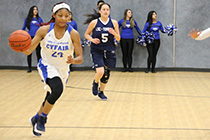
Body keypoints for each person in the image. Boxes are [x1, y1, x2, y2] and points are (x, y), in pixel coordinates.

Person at [22, 2, 83, 136]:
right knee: (57, 89)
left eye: (66, 16)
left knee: (51, 95)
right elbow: (29, 50)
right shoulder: (44, 30)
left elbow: (80, 58)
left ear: (69, 17)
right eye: (60, 15)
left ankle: (36, 118)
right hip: (47, 65)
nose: (63, 18)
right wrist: (20, 46)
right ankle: (43, 119)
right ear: (54, 15)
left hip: (63, 69)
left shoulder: (73, 34)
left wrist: (73, 60)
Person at [84, 3, 120, 100]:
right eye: (103, 9)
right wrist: (92, 40)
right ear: (100, 11)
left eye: (107, 9)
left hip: (109, 50)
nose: (105, 11)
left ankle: (101, 92)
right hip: (97, 50)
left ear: (109, 11)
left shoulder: (114, 23)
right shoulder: (94, 22)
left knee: (106, 74)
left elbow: (119, 38)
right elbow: (86, 34)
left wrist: (114, 33)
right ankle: (95, 83)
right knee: (100, 71)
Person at [22, 6, 43, 73]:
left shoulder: (39, 19)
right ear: (31, 11)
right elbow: (23, 28)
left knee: (38, 53)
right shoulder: (27, 19)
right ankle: (29, 68)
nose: (36, 10)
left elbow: (43, 28)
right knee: (29, 53)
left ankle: (39, 67)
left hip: (38, 37)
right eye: (34, 9)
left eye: (36, 9)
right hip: (29, 37)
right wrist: (18, 35)